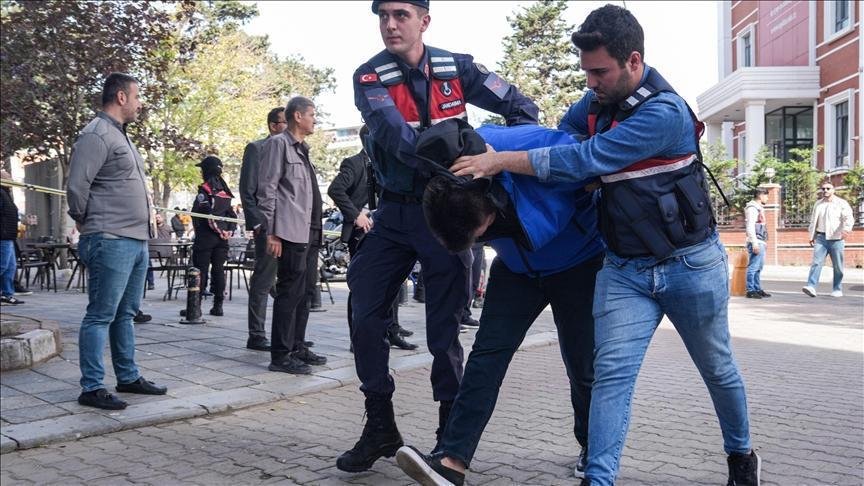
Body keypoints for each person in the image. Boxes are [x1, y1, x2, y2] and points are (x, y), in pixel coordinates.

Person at [449, 6, 761, 485]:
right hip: (624, 269)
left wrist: (502, 160)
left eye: (600, 72)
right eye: (586, 72)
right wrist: (579, 170)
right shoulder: (595, 102)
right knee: (610, 375)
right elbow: (565, 138)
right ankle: (598, 478)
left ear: (633, 61)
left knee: (716, 368)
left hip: (689, 266)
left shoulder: (664, 113)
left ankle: (740, 454)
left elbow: (586, 157)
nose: (590, 83)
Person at [338, 0, 540, 473]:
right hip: (394, 214)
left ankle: (449, 440)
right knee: (364, 312)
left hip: (446, 217)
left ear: (424, 21)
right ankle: (380, 426)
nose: (390, 24)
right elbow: (399, 141)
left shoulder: (457, 68)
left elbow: (521, 106)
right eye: (383, 16)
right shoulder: (370, 76)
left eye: (401, 15)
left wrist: (500, 156)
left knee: (444, 331)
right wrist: (460, 151)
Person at [395, 121, 604, 486]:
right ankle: (451, 462)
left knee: (582, 363)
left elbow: (593, 163)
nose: (487, 236)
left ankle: (593, 448)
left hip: (577, 263)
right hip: (517, 269)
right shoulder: (448, 178)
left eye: (487, 231)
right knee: (486, 358)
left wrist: (509, 163)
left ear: (490, 195)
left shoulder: (527, 144)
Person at [66, 72, 167, 410]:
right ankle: (92, 387)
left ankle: (128, 377)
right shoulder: (96, 134)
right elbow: (77, 187)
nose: (140, 104)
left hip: (135, 239)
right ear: (121, 97)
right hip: (109, 238)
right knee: (100, 314)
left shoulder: (119, 135)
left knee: (125, 313)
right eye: (137, 97)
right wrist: (86, 220)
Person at [326, 125, 417, 351]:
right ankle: (357, 337)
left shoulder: (386, 162)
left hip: (386, 229)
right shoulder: (355, 163)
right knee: (362, 284)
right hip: (362, 232)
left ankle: (391, 330)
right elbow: (335, 189)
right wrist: (356, 215)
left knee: (393, 282)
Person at [257, 96, 328, 375]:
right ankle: (281, 355)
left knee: (305, 291)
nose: (314, 120)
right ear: (298, 116)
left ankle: (297, 346)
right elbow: (268, 189)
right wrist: (271, 232)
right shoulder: (278, 144)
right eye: (312, 114)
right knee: (289, 292)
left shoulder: (303, 149)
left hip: (309, 230)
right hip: (288, 231)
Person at [239, 106, 286, 351]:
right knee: (264, 280)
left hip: (291, 227)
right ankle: (256, 334)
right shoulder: (257, 149)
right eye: (284, 122)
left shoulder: (294, 150)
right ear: (273, 126)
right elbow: (247, 190)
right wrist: (258, 224)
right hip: (267, 227)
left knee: (288, 283)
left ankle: (289, 334)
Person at [191, 155, 237, 317]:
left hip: (206, 238)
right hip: (222, 239)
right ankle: (218, 306)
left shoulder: (206, 190)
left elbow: (206, 215)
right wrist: (229, 231)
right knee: (218, 270)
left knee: (200, 271)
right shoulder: (225, 190)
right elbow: (232, 215)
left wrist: (219, 230)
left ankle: (195, 307)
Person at [802, 182, 854, 298]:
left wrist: (846, 230)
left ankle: (837, 289)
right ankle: (811, 286)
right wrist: (811, 235)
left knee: (838, 266)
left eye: (828, 188)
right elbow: (813, 221)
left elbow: (849, 218)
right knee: (816, 262)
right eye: (823, 188)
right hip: (821, 238)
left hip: (836, 239)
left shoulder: (841, 203)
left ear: (833, 190)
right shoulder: (818, 204)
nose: (825, 190)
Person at [0, 169, 24, 305]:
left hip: (9, 236)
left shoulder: (6, 193)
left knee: (10, 267)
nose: (11, 179)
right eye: (8, 177)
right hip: (3, 236)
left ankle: (7, 294)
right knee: (2, 266)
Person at [744, 189, 770, 299]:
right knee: (753, 267)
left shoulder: (759, 208)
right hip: (756, 241)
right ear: (760, 195)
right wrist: (755, 243)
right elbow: (750, 227)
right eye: (766, 196)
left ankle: (757, 288)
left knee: (759, 267)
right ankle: (750, 290)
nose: (767, 198)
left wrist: (764, 242)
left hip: (760, 241)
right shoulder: (752, 208)